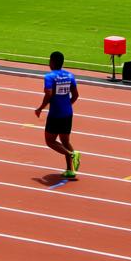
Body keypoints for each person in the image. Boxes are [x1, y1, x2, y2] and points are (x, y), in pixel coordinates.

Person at [34, 51, 81, 179]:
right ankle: (70, 170)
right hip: (68, 113)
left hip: (55, 114)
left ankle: (72, 154)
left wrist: (40, 108)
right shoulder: (70, 76)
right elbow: (76, 95)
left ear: (52, 62)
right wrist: (67, 104)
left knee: (50, 141)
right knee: (65, 141)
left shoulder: (49, 77)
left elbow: (48, 94)